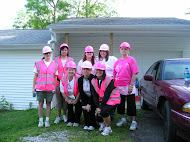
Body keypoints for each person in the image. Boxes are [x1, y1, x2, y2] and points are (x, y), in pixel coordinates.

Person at [113, 42, 139, 131]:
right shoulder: (117, 61)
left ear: (129, 50)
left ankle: (133, 121)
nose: (124, 50)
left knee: (131, 103)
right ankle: (122, 119)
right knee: (120, 104)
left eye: (126, 49)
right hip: (119, 86)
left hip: (128, 85)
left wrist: (131, 86)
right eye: (122, 49)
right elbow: (114, 74)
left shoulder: (131, 60)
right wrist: (114, 85)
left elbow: (134, 73)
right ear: (120, 50)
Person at [91, 61, 121, 136]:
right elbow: (94, 96)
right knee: (97, 115)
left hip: (113, 99)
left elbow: (107, 95)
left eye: (100, 70)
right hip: (103, 100)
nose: (98, 71)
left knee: (104, 111)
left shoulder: (109, 79)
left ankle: (108, 128)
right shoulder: (93, 81)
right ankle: (102, 123)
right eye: (97, 70)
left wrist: (100, 107)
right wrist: (98, 107)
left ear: (104, 71)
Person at [32, 46, 58, 127]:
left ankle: (47, 120)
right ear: (43, 54)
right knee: (40, 103)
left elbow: (55, 77)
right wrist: (33, 88)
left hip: (50, 88)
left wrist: (55, 87)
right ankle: (40, 121)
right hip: (40, 88)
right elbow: (35, 76)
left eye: (49, 53)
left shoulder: (54, 64)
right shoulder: (38, 64)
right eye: (46, 53)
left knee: (48, 103)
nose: (48, 54)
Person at [54, 43, 74, 124]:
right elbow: (54, 71)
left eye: (65, 50)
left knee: (66, 100)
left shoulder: (71, 60)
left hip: (66, 82)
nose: (64, 51)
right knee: (59, 100)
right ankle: (58, 116)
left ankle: (65, 115)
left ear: (67, 51)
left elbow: (72, 70)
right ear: (60, 51)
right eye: (62, 50)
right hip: (58, 82)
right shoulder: (56, 60)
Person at [60, 61, 82, 127]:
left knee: (78, 108)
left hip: (77, 96)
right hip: (69, 96)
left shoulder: (78, 78)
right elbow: (62, 91)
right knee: (69, 108)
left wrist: (76, 100)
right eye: (69, 70)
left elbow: (80, 91)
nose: (71, 72)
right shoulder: (63, 79)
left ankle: (77, 121)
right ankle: (70, 120)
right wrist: (68, 100)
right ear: (66, 70)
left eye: (72, 70)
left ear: (75, 71)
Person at [78, 61, 97, 131]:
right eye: (84, 69)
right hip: (85, 97)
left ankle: (93, 124)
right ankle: (86, 124)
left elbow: (93, 93)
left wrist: (89, 103)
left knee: (91, 108)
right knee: (84, 108)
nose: (86, 71)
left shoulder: (93, 78)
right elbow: (81, 92)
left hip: (93, 98)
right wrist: (84, 104)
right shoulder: (80, 79)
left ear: (91, 70)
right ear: (82, 70)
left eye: (88, 69)